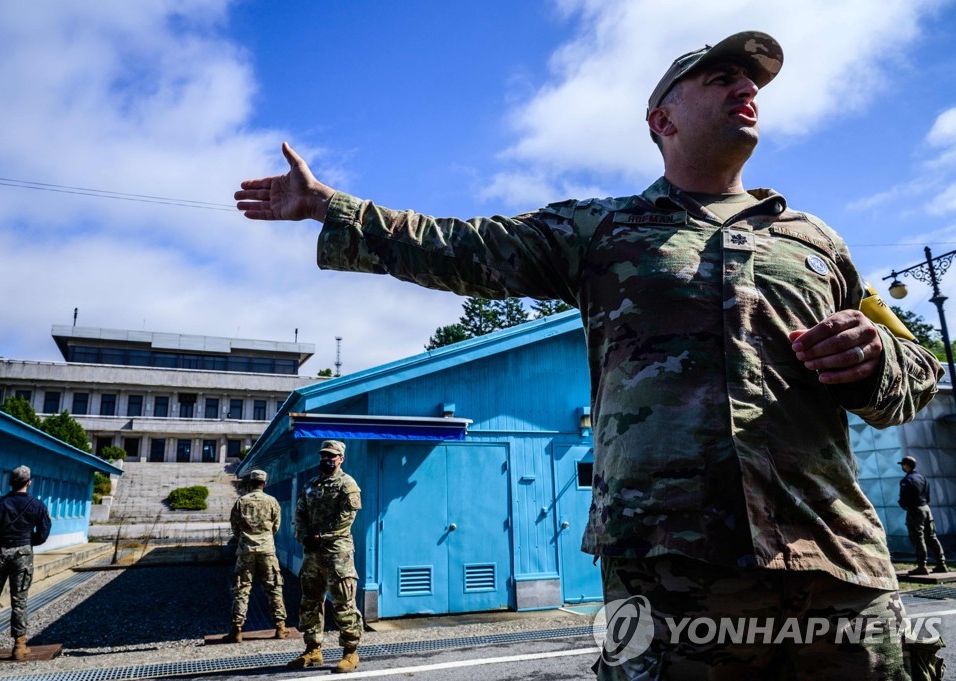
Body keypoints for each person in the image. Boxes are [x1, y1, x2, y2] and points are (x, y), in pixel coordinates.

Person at [234, 31, 943, 678]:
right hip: (672, 575)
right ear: (661, 120)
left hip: (839, 564)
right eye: (720, 77)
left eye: (752, 82)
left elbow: (920, 368)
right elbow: (459, 243)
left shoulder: (818, 241)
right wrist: (334, 207)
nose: (747, 90)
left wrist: (879, 354)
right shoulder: (601, 229)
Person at [287, 440, 363, 673]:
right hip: (312, 554)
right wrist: (303, 536)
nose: (326, 460)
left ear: (341, 459)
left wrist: (321, 536)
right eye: (323, 456)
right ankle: (313, 650)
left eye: (331, 456)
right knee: (310, 602)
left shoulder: (347, 485)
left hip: (337, 553)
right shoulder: (311, 484)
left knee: (343, 603)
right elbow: (299, 513)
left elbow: (345, 519)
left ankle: (350, 653)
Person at [0, 465, 51, 663]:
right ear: (29, 482)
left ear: (10, 483)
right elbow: (43, 532)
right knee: (19, 601)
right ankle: (19, 646)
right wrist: (29, 542)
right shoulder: (37, 505)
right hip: (22, 554)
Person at [223, 468, 288, 643]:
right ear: (264, 484)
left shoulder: (241, 501)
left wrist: (245, 539)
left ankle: (236, 629)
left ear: (250, 483)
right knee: (274, 587)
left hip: (246, 551)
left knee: (241, 589)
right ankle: (280, 627)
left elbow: (235, 527)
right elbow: (276, 526)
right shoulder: (272, 501)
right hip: (267, 550)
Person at [899, 455, 948, 576]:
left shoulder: (906, 480)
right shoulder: (923, 478)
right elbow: (928, 495)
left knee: (917, 537)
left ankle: (922, 565)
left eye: (903, 465)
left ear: (906, 465)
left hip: (915, 510)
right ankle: (941, 563)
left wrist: (905, 506)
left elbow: (904, 498)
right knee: (931, 536)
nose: (902, 467)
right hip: (926, 508)